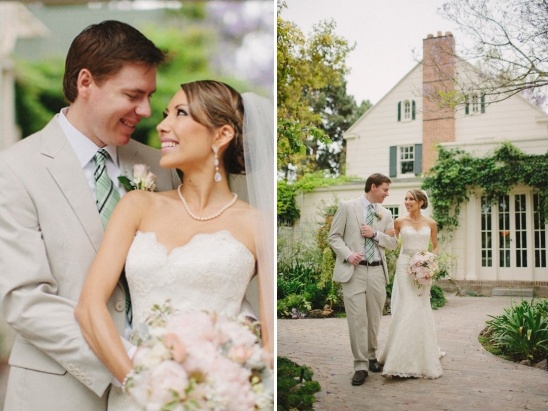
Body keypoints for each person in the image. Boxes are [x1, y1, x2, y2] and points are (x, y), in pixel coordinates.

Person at [0, 21, 180, 411]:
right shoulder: (14, 170)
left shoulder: (160, 166)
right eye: (133, 94)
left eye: (149, 96)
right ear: (86, 82)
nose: (146, 111)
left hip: (162, 393)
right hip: (57, 394)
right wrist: (129, 364)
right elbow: (25, 300)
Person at [74, 80, 274, 410]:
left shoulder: (257, 224)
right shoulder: (138, 206)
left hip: (220, 398)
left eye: (180, 113)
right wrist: (144, 391)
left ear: (221, 135)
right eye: (167, 114)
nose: (163, 125)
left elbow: (268, 343)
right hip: (136, 395)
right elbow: (89, 308)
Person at [328, 173, 398, 386]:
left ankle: (371, 357)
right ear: (373, 186)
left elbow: (393, 243)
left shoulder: (385, 214)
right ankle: (359, 365)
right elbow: (334, 237)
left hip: (377, 271)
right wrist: (348, 254)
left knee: (374, 318)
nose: (387, 193)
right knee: (357, 319)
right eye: (385, 189)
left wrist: (375, 234)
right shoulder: (347, 207)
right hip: (354, 271)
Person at [379, 189, 443, 379]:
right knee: (407, 305)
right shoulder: (399, 222)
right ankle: (398, 359)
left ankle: (420, 355)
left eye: (411, 199)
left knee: (421, 306)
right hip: (404, 265)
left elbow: (436, 246)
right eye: (406, 199)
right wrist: (385, 234)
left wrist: (430, 260)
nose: (407, 202)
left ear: (421, 202)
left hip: (424, 268)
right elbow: (391, 244)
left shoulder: (431, 223)